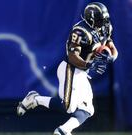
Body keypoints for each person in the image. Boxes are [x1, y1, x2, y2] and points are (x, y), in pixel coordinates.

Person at [16, 2, 118, 135]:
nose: (103, 23)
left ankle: (63, 130)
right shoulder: (80, 31)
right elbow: (72, 57)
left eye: (104, 20)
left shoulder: (106, 28)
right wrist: (89, 65)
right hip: (70, 69)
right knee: (69, 107)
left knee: (87, 109)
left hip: (82, 73)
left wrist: (111, 58)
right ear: (91, 20)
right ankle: (35, 99)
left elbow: (113, 49)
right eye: (100, 21)